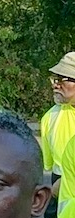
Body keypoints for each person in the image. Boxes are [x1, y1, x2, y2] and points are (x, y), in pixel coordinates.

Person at [41, 52, 75, 185]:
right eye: (55, 79)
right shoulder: (50, 118)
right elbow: (51, 167)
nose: (56, 85)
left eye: (62, 79)